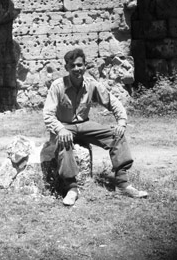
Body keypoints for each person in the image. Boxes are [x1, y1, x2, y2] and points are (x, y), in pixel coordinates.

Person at [43, 48, 148, 206]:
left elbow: (112, 101)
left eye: (80, 65)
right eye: (73, 66)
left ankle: (122, 183)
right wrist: (60, 129)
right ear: (67, 68)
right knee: (64, 140)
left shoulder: (91, 84)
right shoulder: (58, 86)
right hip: (64, 126)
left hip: (84, 125)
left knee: (116, 135)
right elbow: (48, 115)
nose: (77, 69)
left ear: (85, 66)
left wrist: (121, 121)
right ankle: (71, 188)